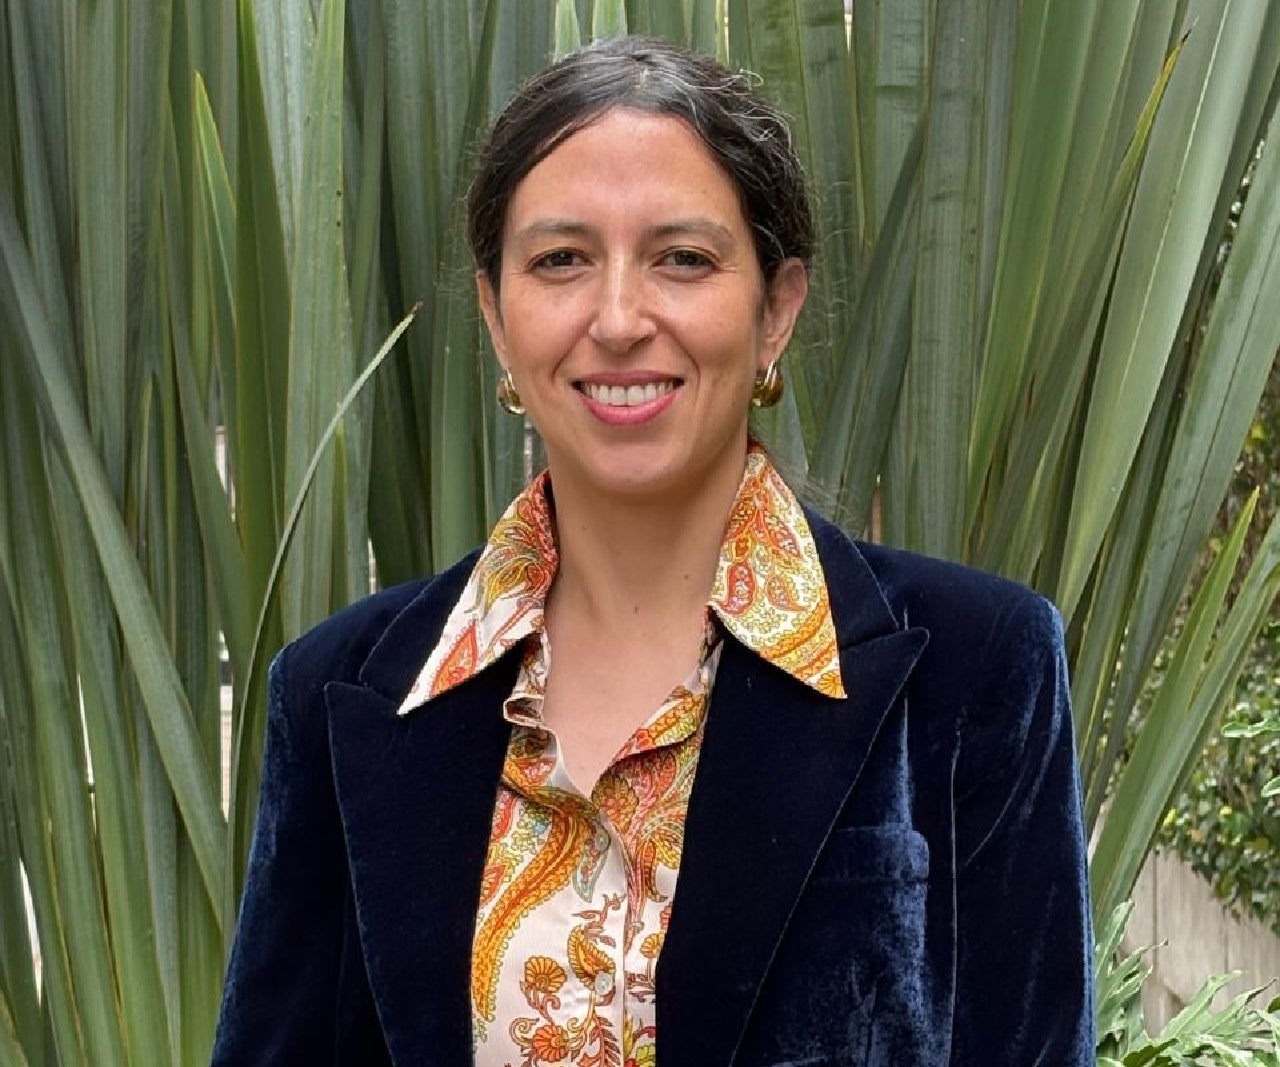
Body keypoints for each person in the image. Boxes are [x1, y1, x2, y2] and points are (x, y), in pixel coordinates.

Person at [210, 35, 1094, 1067]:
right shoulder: (340, 689)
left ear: (776, 308)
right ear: (495, 314)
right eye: (560, 260)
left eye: (682, 258)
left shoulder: (979, 669)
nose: (620, 318)